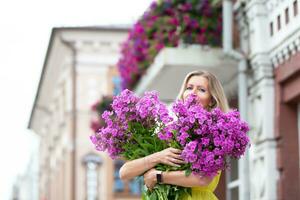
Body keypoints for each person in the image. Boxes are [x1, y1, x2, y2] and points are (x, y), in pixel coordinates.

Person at [119, 70, 230, 200]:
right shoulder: (169, 131)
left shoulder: (217, 133)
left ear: (211, 100)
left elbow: (203, 179)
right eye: (189, 88)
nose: (192, 93)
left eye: (201, 90)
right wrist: (158, 157)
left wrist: (158, 176)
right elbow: (124, 172)